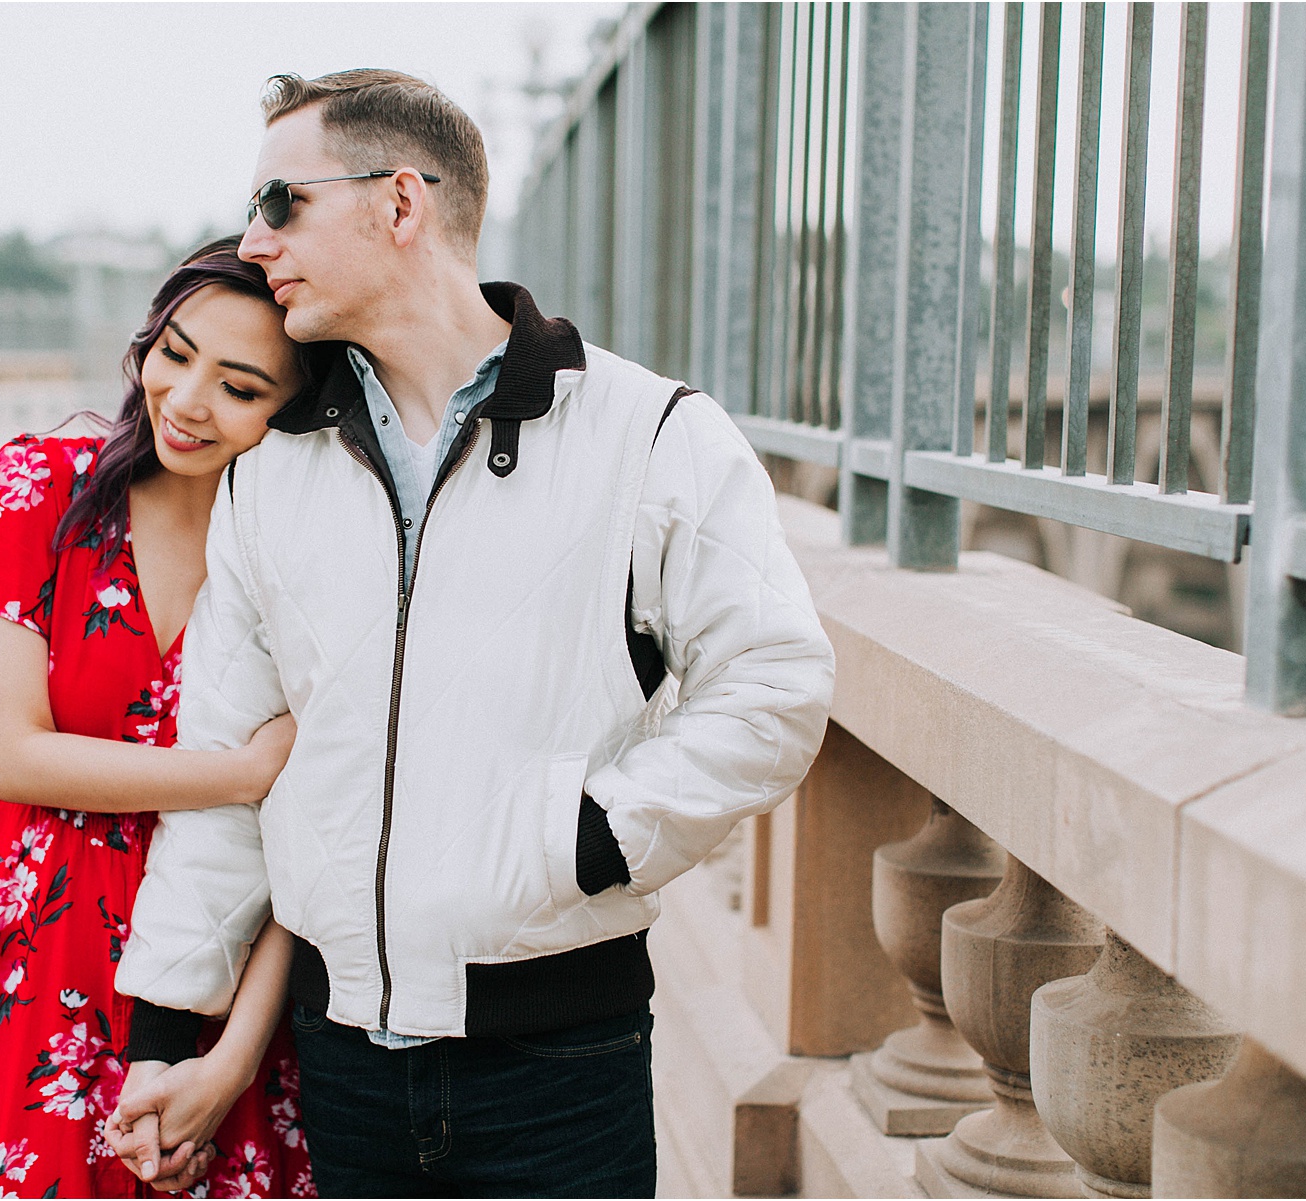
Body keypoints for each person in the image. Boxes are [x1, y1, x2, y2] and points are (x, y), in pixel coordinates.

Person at [108, 70, 835, 1198]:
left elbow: (775, 683)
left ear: (400, 203)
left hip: (560, 1061)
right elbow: (228, 761)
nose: (254, 242)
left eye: (281, 204)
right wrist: (166, 1030)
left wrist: (591, 840)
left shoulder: (649, 436)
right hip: (339, 1064)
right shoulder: (273, 475)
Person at [0, 240, 335, 1199]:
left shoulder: (303, 553)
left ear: (294, 409)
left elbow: (309, 839)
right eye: (175, 353)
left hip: (221, 983)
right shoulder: (41, 488)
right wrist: (240, 774)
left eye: (241, 388)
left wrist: (238, 1058)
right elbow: (14, 756)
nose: (187, 400)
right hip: (37, 964)